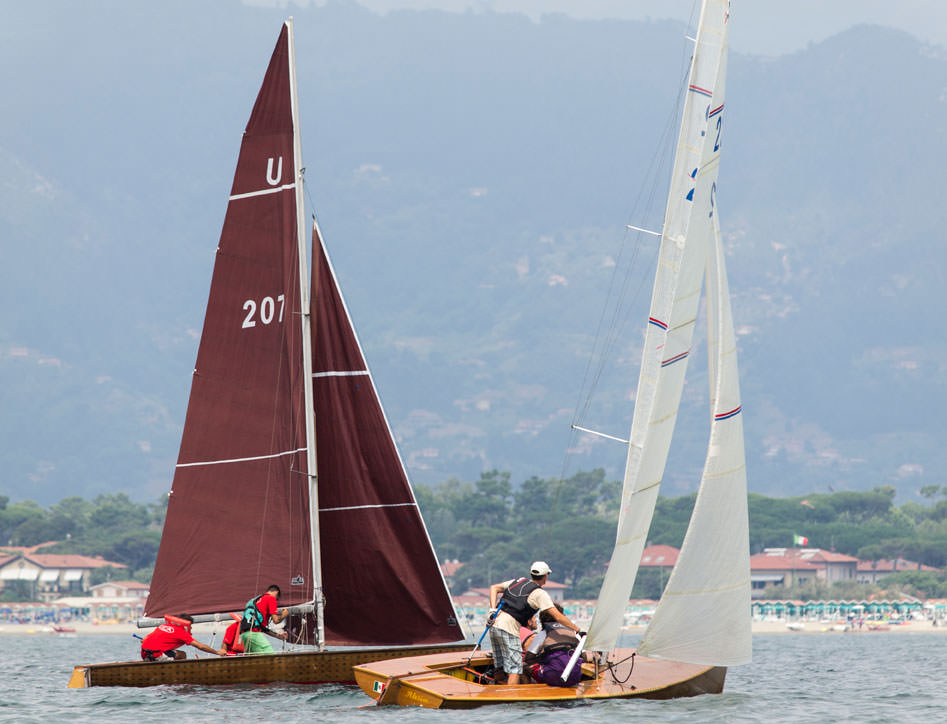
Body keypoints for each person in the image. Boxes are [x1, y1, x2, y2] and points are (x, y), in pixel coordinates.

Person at [487, 561, 583, 685]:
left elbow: (493, 588)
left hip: (493, 624)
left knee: (499, 665)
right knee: (515, 669)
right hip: (509, 627)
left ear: (531, 574)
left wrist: (492, 610)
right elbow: (557, 616)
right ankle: (510, 699)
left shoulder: (518, 581)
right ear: (545, 576)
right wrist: (577, 629)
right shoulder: (539, 594)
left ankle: (497, 693)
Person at [523, 603, 583, 687]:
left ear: (542, 620)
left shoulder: (543, 634)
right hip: (575, 677)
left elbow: (528, 659)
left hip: (552, 677)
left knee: (525, 668)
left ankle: (529, 693)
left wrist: (543, 659)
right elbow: (584, 655)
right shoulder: (573, 633)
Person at [140, 614, 226, 661]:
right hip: (157, 654)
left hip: (144, 653)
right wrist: (218, 652)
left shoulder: (164, 625)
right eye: (190, 626)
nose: (191, 628)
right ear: (185, 625)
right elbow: (201, 646)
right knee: (182, 655)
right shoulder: (182, 633)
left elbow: (144, 640)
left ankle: (156, 660)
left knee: (179, 653)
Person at [239, 584, 289, 653]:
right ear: (276, 592)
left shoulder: (253, 601)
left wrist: (279, 636)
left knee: (254, 661)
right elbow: (276, 620)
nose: (276, 601)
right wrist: (284, 615)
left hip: (245, 635)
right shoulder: (271, 598)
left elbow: (261, 628)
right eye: (277, 599)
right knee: (271, 658)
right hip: (254, 634)